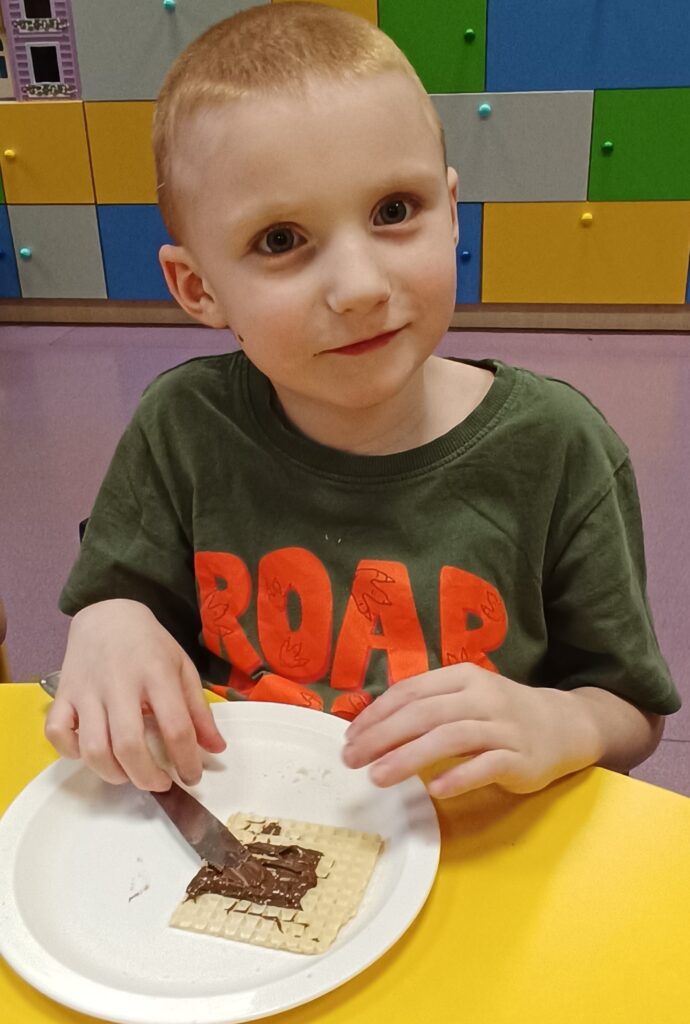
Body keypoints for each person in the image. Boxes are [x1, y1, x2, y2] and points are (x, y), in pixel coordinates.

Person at [46, 2, 680, 799]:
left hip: (476, 838)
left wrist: (565, 722)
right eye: (281, 240)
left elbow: (631, 709)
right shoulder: (181, 426)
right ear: (198, 287)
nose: (358, 288)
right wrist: (108, 620)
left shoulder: (559, 448)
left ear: (452, 212)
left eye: (394, 211)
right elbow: (122, 598)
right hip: (248, 826)